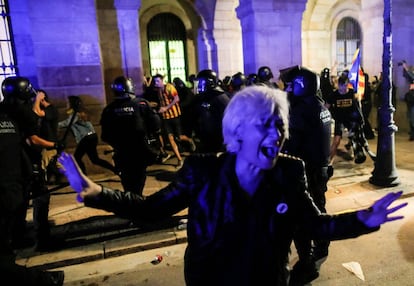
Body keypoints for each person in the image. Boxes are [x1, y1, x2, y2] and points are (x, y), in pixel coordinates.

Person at [58, 84, 407, 286]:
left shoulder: (289, 172)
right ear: (237, 132)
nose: (278, 136)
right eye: (266, 126)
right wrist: (97, 193)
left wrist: (363, 220)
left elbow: (314, 225)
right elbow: (151, 209)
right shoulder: (202, 171)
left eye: (281, 126)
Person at [0, 76, 64, 285]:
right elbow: (33, 138)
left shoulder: (8, 112)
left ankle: (18, 239)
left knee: (13, 218)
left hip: (16, 176)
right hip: (14, 179)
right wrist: (55, 145)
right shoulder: (21, 113)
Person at [280, 66, 333, 285]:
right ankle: (322, 244)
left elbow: (290, 142)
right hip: (319, 168)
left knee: (299, 215)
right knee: (318, 207)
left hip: (305, 170)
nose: (288, 90)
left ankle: (307, 261)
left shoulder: (301, 110)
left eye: (291, 86)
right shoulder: (319, 105)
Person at [100, 76, 161, 196]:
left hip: (121, 151)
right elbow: (156, 124)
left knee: (127, 182)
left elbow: (105, 135)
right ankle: (136, 201)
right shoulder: (141, 104)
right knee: (139, 179)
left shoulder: (109, 109)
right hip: (140, 149)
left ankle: (131, 201)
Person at [58, 96, 116, 175]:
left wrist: (55, 125)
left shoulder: (76, 113)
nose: (67, 104)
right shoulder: (79, 112)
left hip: (87, 138)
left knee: (77, 157)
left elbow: (67, 123)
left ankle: (84, 175)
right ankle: (116, 170)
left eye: (68, 102)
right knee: (95, 159)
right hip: (91, 137)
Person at [325, 74, 373, 164]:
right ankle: (329, 162)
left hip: (351, 120)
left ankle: (356, 152)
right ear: (338, 85)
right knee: (336, 140)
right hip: (339, 119)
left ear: (347, 85)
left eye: (344, 86)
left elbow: (358, 107)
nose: (342, 89)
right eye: (341, 86)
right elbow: (325, 107)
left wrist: (360, 119)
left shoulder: (352, 94)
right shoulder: (333, 95)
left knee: (356, 137)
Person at [152, 74, 196, 168]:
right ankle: (179, 159)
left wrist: (166, 108)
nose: (156, 83)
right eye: (155, 81)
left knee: (179, 137)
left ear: (162, 81)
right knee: (170, 138)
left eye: (157, 81)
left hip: (175, 116)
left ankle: (189, 140)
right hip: (165, 118)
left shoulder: (169, 87)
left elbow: (176, 99)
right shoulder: (158, 90)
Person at [193, 69, 230, 153]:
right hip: (208, 137)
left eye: (201, 82)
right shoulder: (206, 97)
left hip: (218, 139)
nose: (198, 85)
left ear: (210, 82)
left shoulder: (219, 97)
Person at [34, 90, 61, 184]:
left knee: (42, 165)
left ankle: (40, 184)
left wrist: (37, 99)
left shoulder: (51, 109)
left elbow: (37, 112)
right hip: (45, 143)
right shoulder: (47, 109)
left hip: (49, 143)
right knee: (55, 164)